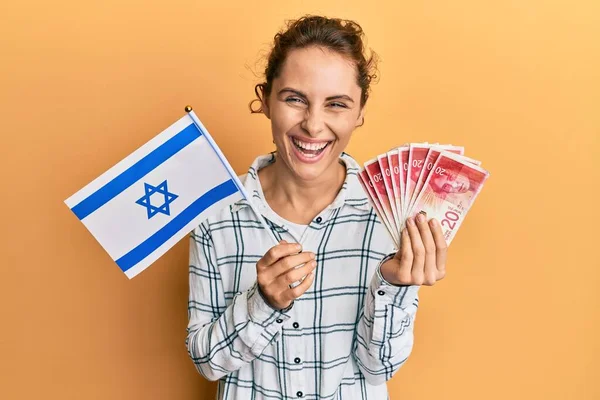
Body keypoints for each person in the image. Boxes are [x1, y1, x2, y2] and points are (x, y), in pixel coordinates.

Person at [186, 15, 448, 400]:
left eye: (336, 104)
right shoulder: (216, 214)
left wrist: (393, 285)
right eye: (295, 99)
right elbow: (206, 363)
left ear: (359, 112)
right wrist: (262, 304)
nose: (313, 124)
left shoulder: (389, 214)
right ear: (265, 100)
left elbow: (379, 368)